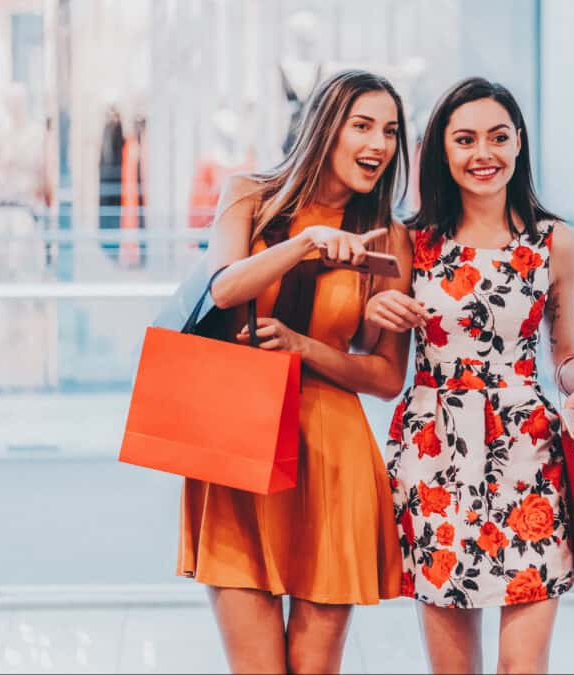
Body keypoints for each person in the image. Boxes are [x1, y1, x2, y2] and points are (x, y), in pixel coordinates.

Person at [369, 77, 574, 674]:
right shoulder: (411, 243)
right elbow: (378, 359)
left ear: (520, 143)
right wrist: (373, 312)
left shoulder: (555, 242)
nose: (484, 154)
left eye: (499, 137)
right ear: (441, 151)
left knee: (522, 667)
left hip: (527, 450)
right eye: (466, 139)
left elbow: (563, 354)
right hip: (434, 456)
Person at [178, 69, 412, 675]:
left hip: (332, 458)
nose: (378, 144)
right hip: (238, 448)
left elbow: (387, 377)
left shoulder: (388, 238)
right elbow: (225, 287)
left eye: (389, 130)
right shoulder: (247, 196)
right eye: (362, 125)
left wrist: (305, 347)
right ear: (324, 129)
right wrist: (306, 244)